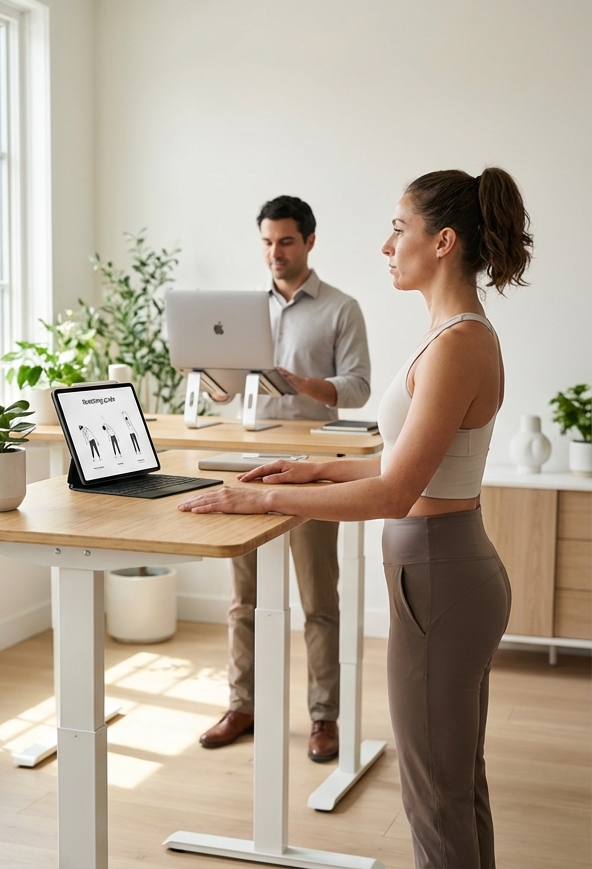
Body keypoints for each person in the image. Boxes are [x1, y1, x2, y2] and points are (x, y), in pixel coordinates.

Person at [178, 168, 528, 869]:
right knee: (455, 787)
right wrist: (316, 469)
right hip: (441, 572)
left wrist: (264, 497)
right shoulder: (452, 333)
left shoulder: (459, 341)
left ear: (443, 241)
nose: (387, 244)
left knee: (436, 800)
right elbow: (402, 463)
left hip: (440, 576)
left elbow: (396, 493)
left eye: (400, 227)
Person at [198, 196, 371, 763]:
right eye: (268, 242)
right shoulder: (244, 310)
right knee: (241, 598)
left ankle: (324, 718)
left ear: (310, 242)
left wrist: (302, 383)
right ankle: (241, 705)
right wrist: (208, 377)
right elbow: (226, 393)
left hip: (311, 467)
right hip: (246, 461)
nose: (276, 253)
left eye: (287, 242)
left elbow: (357, 389)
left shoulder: (341, 309)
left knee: (319, 598)